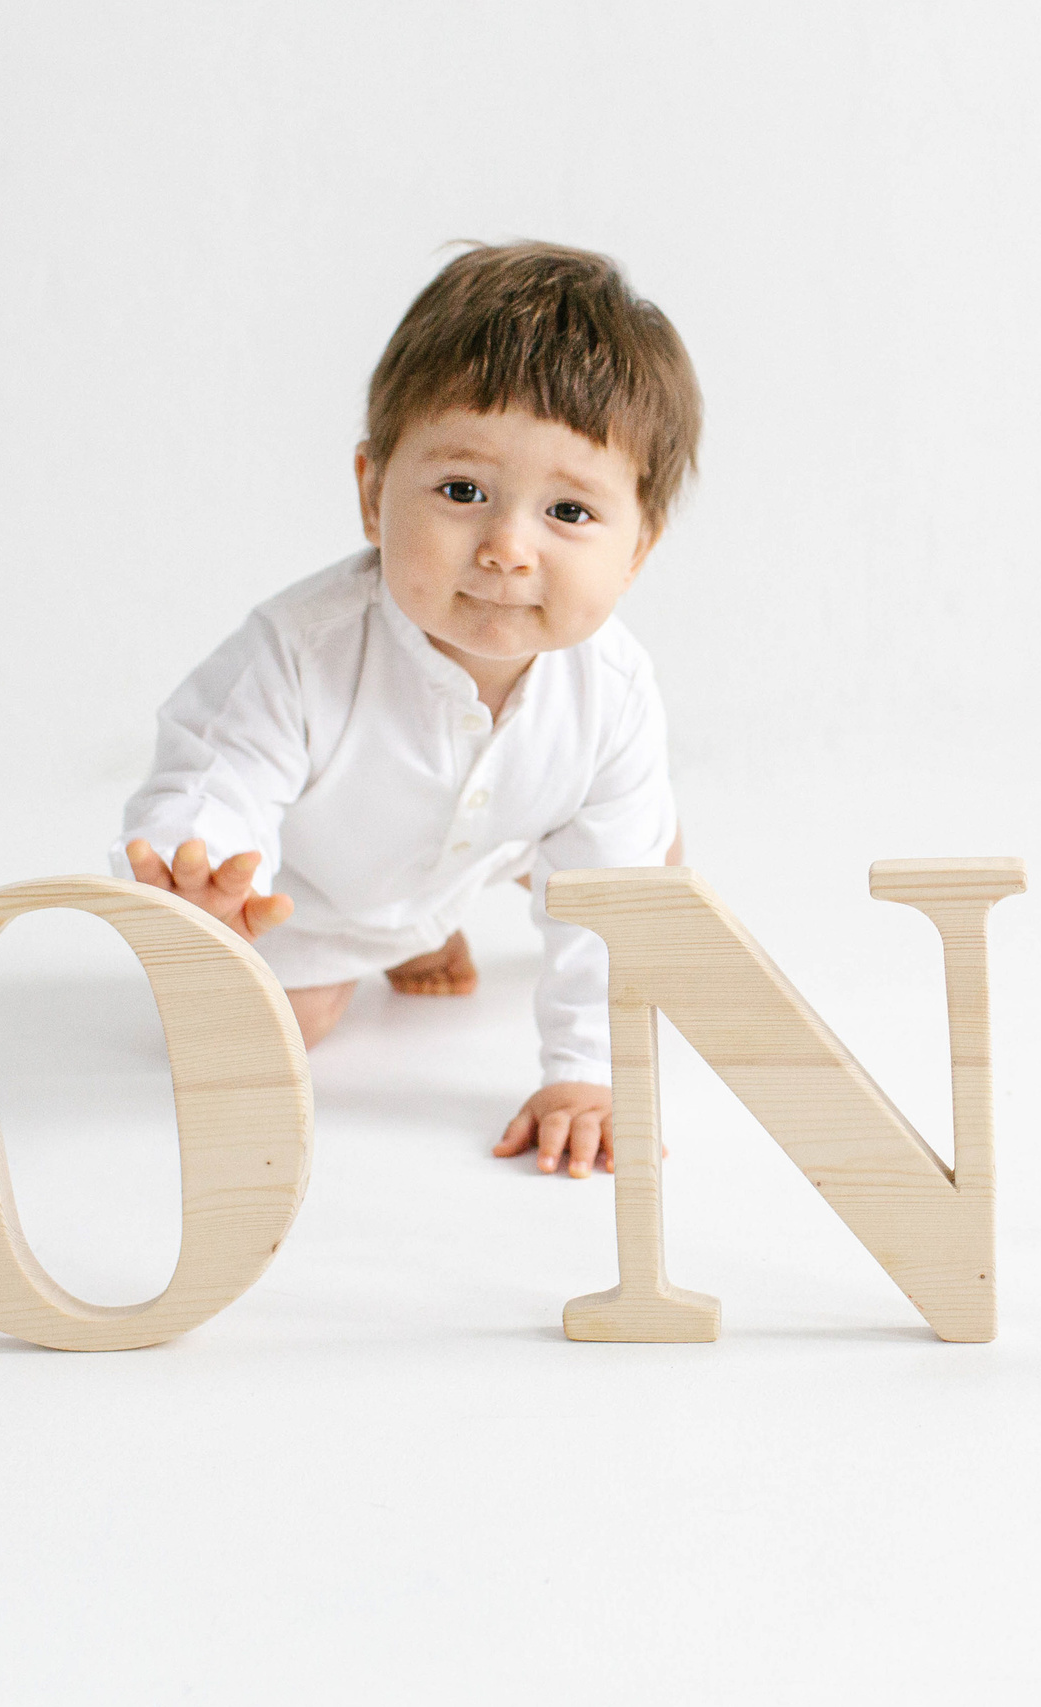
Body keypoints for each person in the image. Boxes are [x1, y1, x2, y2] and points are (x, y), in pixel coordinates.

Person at [115, 242, 697, 1181]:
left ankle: (440, 910)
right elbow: (220, 772)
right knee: (275, 1031)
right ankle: (394, 932)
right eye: (462, 492)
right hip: (324, 887)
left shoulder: (615, 692)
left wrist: (591, 1071)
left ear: (638, 548)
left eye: (569, 512)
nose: (508, 548)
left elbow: (612, 911)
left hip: (503, 835)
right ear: (373, 495)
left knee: (646, 862)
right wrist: (208, 875)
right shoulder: (302, 651)